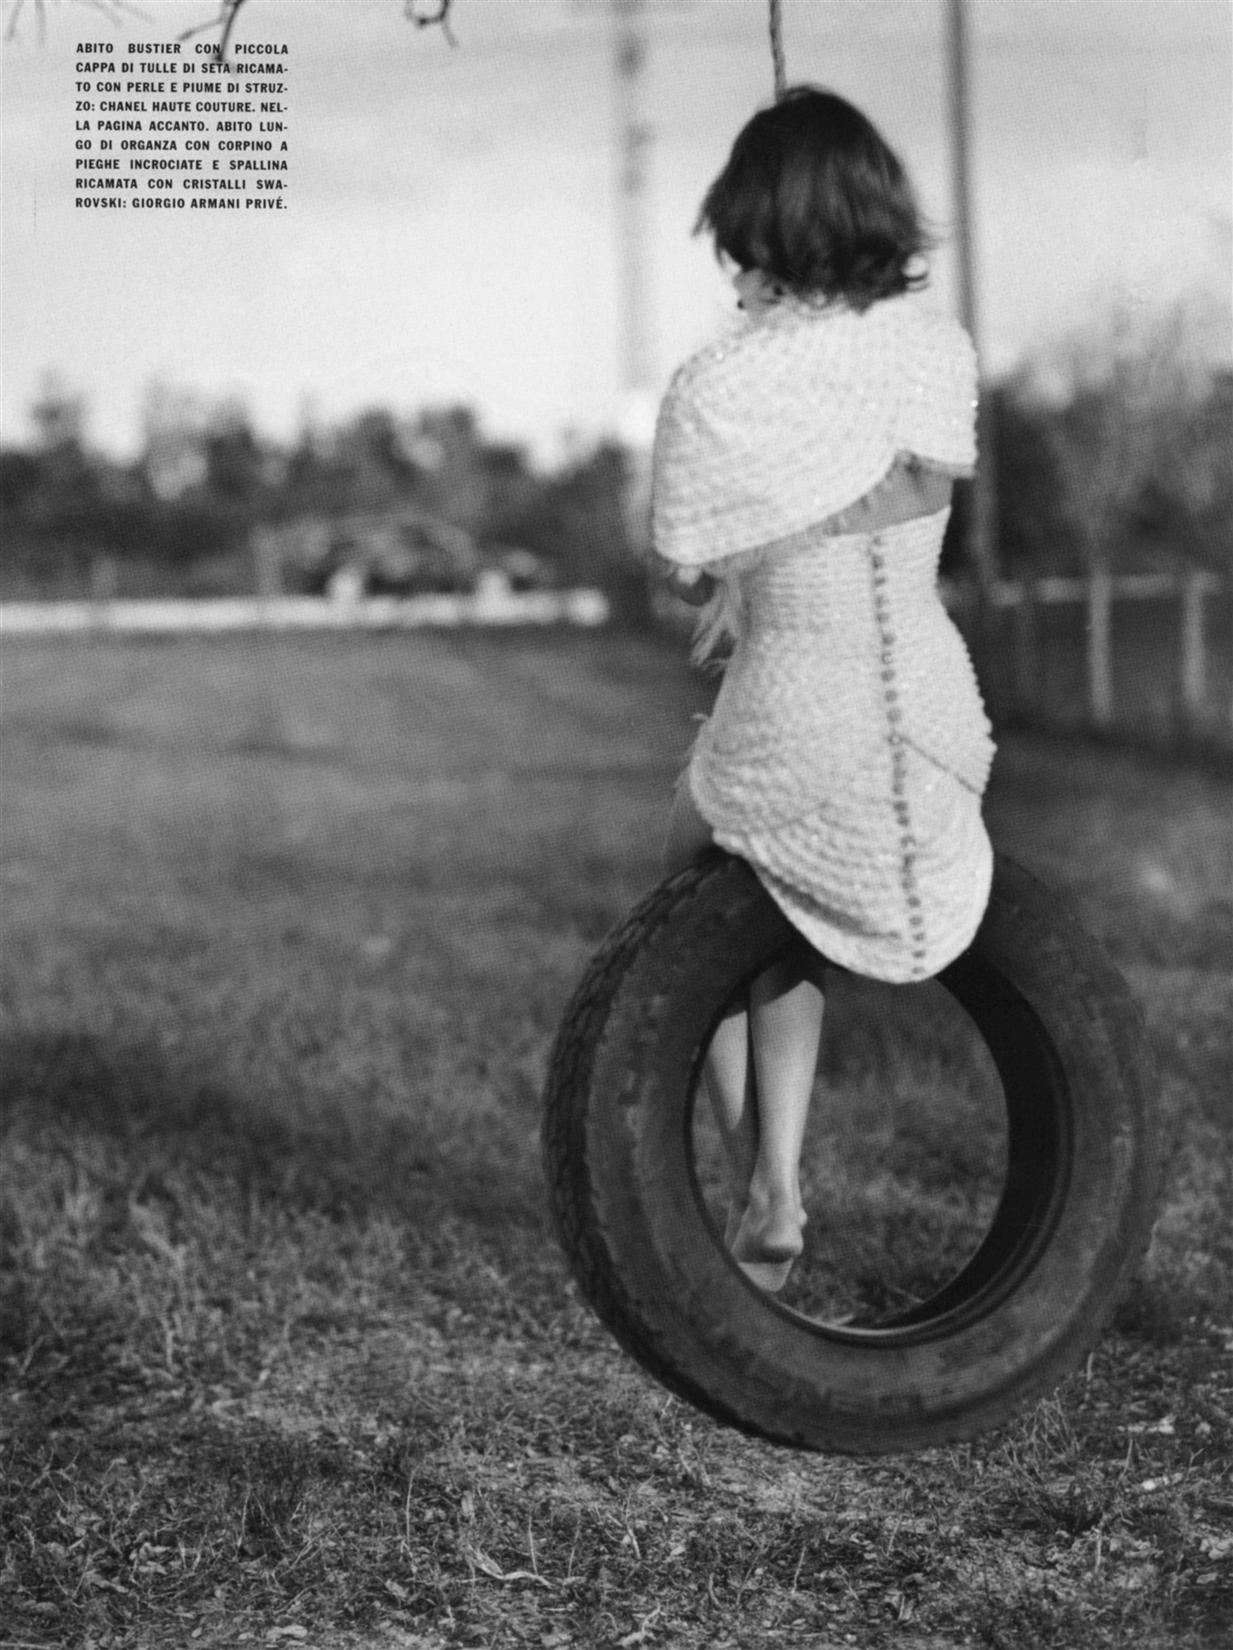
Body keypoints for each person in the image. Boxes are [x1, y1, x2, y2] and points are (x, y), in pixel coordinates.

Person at [651, 87, 996, 1292]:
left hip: (795, 707)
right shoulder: (939, 351)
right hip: (939, 717)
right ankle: (773, 1185)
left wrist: (758, 344)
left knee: (700, 883)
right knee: (793, 898)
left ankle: (768, 1180)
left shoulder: (722, 384)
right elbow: (902, 484)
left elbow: (686, 556)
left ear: (754, 225)